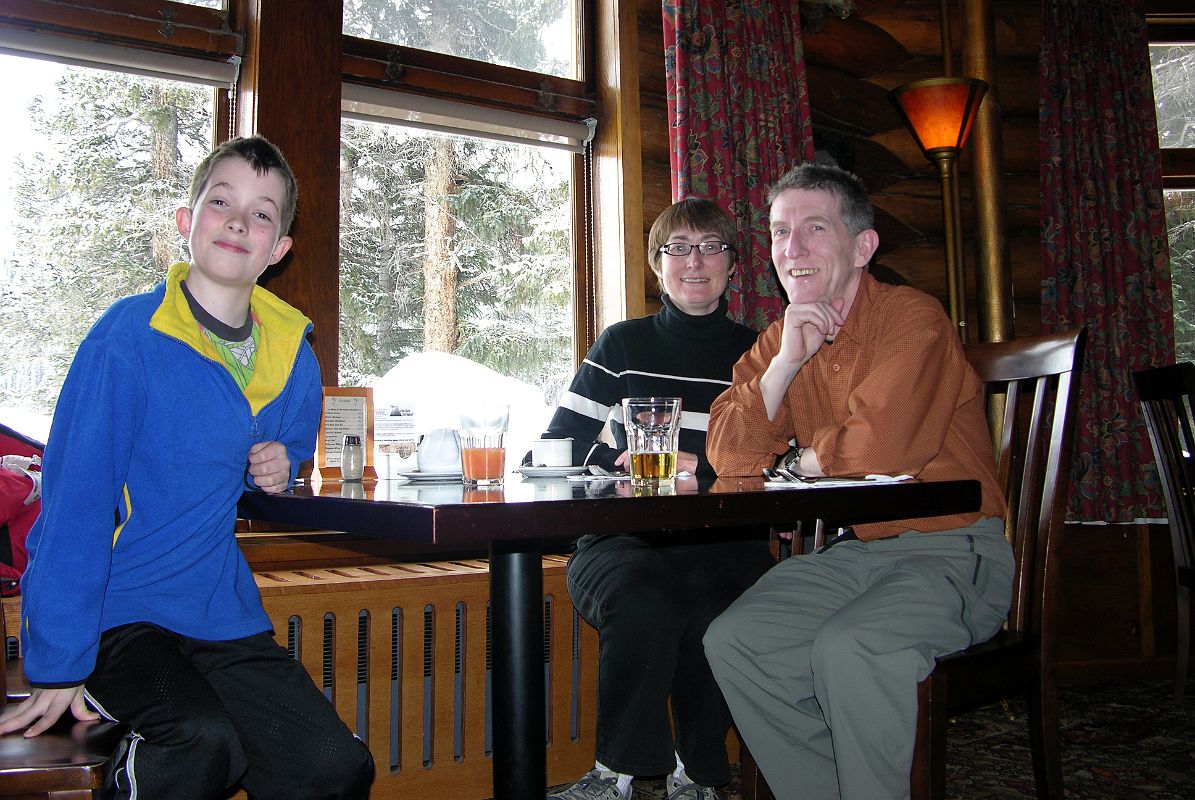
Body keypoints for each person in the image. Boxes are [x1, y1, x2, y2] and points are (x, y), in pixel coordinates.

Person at [0, 136, 374, 800]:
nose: (238, 221)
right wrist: (58, 660)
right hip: (117, 611)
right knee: (203, 744)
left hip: (217, 609)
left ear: (279, 248)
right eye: (221, 201)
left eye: (262, 214)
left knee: (332, 765)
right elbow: (73, 501)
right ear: (187, 220)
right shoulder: (128, 338)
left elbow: (289, 445)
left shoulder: (292, 353)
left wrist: (282, 461)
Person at [701, 163, 1012, 800]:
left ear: (862, 246)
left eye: (814, 229)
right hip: (857, 554)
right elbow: (728, 456)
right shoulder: (780, 337)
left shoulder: (912, 320)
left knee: (851, 648)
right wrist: (787, 363)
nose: (792, 249)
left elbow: (880, 447)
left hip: (956, 551)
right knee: (737, 640)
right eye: (780, 233)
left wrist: (798, 463)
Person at [543, 198, 774, 800]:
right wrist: (613, 463)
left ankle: (697, 775)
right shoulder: (620, 346)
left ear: (731, 264)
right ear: (657, 264)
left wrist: (715, 467)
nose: (694, 261)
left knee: (714, 603)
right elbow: (554, 451)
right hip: (621, 538)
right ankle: (615, 771)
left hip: (723, 536)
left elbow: (789, 460)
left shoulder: (759, 356)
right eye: (678, 248)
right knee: (644, 597)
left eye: (711, 247)